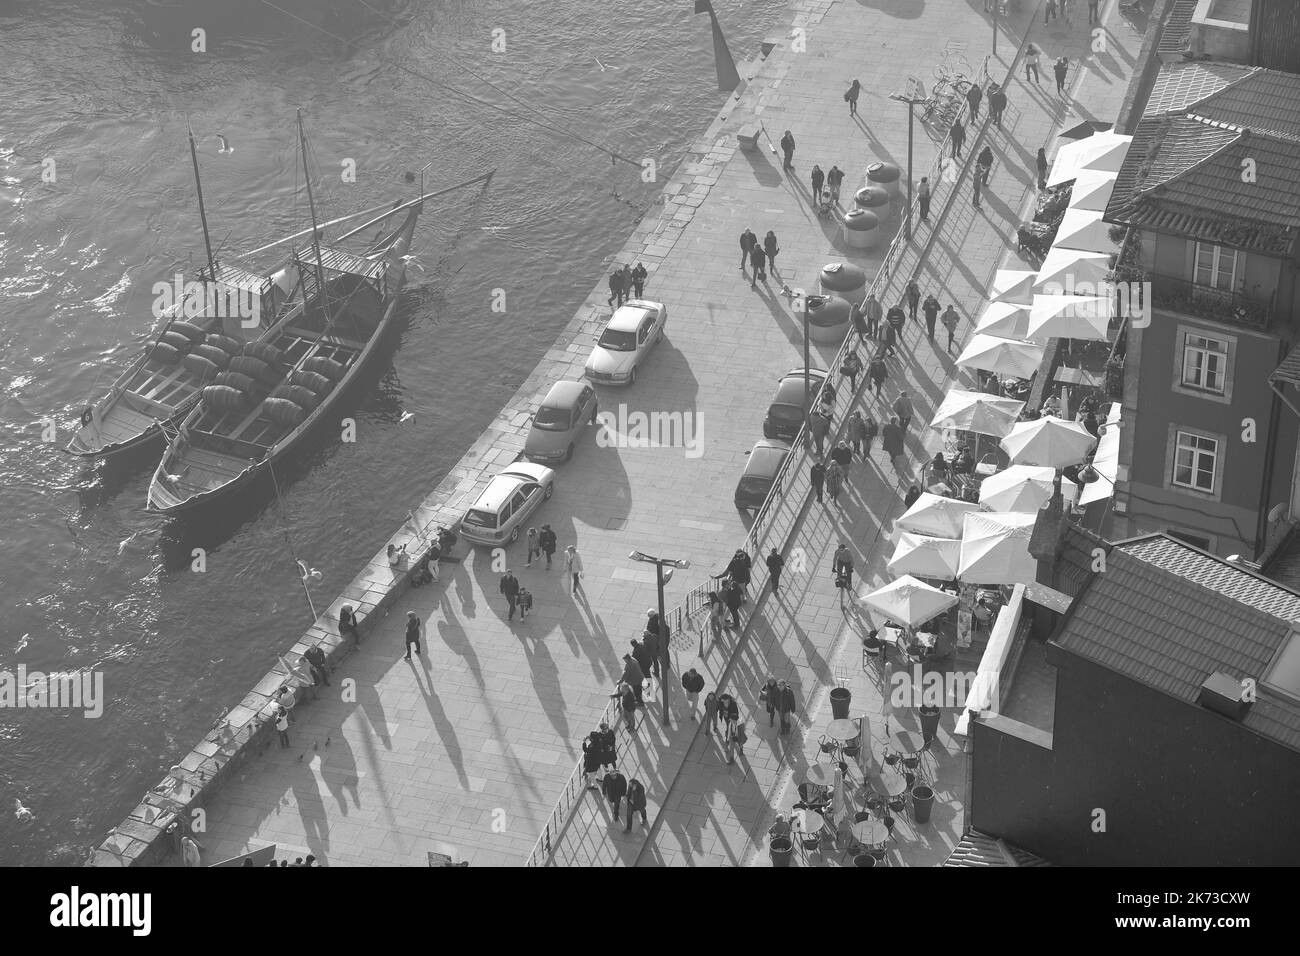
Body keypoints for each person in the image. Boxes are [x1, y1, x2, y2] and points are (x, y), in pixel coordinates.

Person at [882, 417, 908, 482]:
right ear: (895, 422)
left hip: (888, 442)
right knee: (894, 452)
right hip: (895, 444)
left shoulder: (886, 426)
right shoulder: (897, 429)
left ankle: (892, 457)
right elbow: (901, 437)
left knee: (890, 451)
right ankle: (892, 458)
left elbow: (884, 433)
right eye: (897, 421)